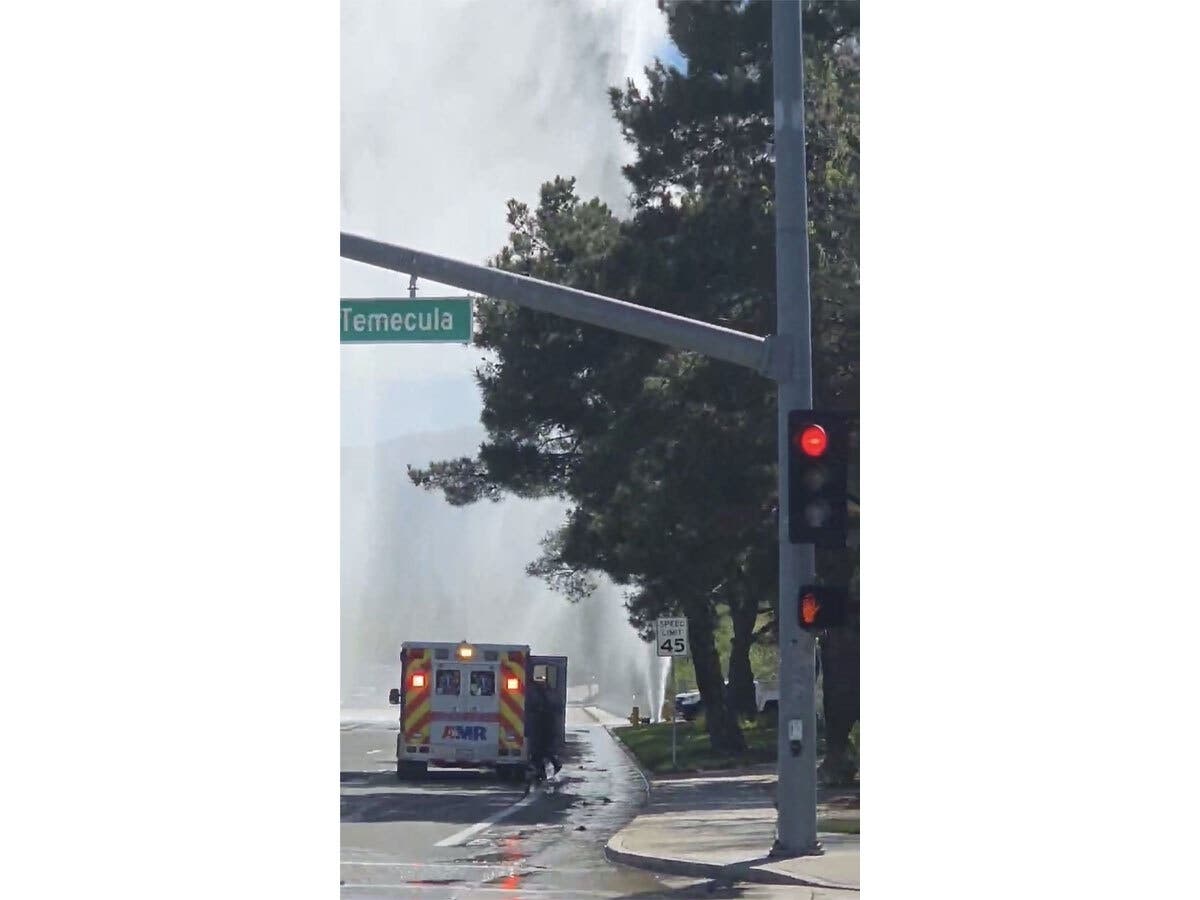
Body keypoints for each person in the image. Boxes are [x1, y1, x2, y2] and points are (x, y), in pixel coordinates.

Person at [526, 679, 562, 782]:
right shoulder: (550, 695)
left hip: (541, 728)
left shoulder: (539, 697)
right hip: (547, 728)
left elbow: (533, 708)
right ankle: (545, 771)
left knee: (539, 752)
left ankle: (542, 773)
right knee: (543, 752)